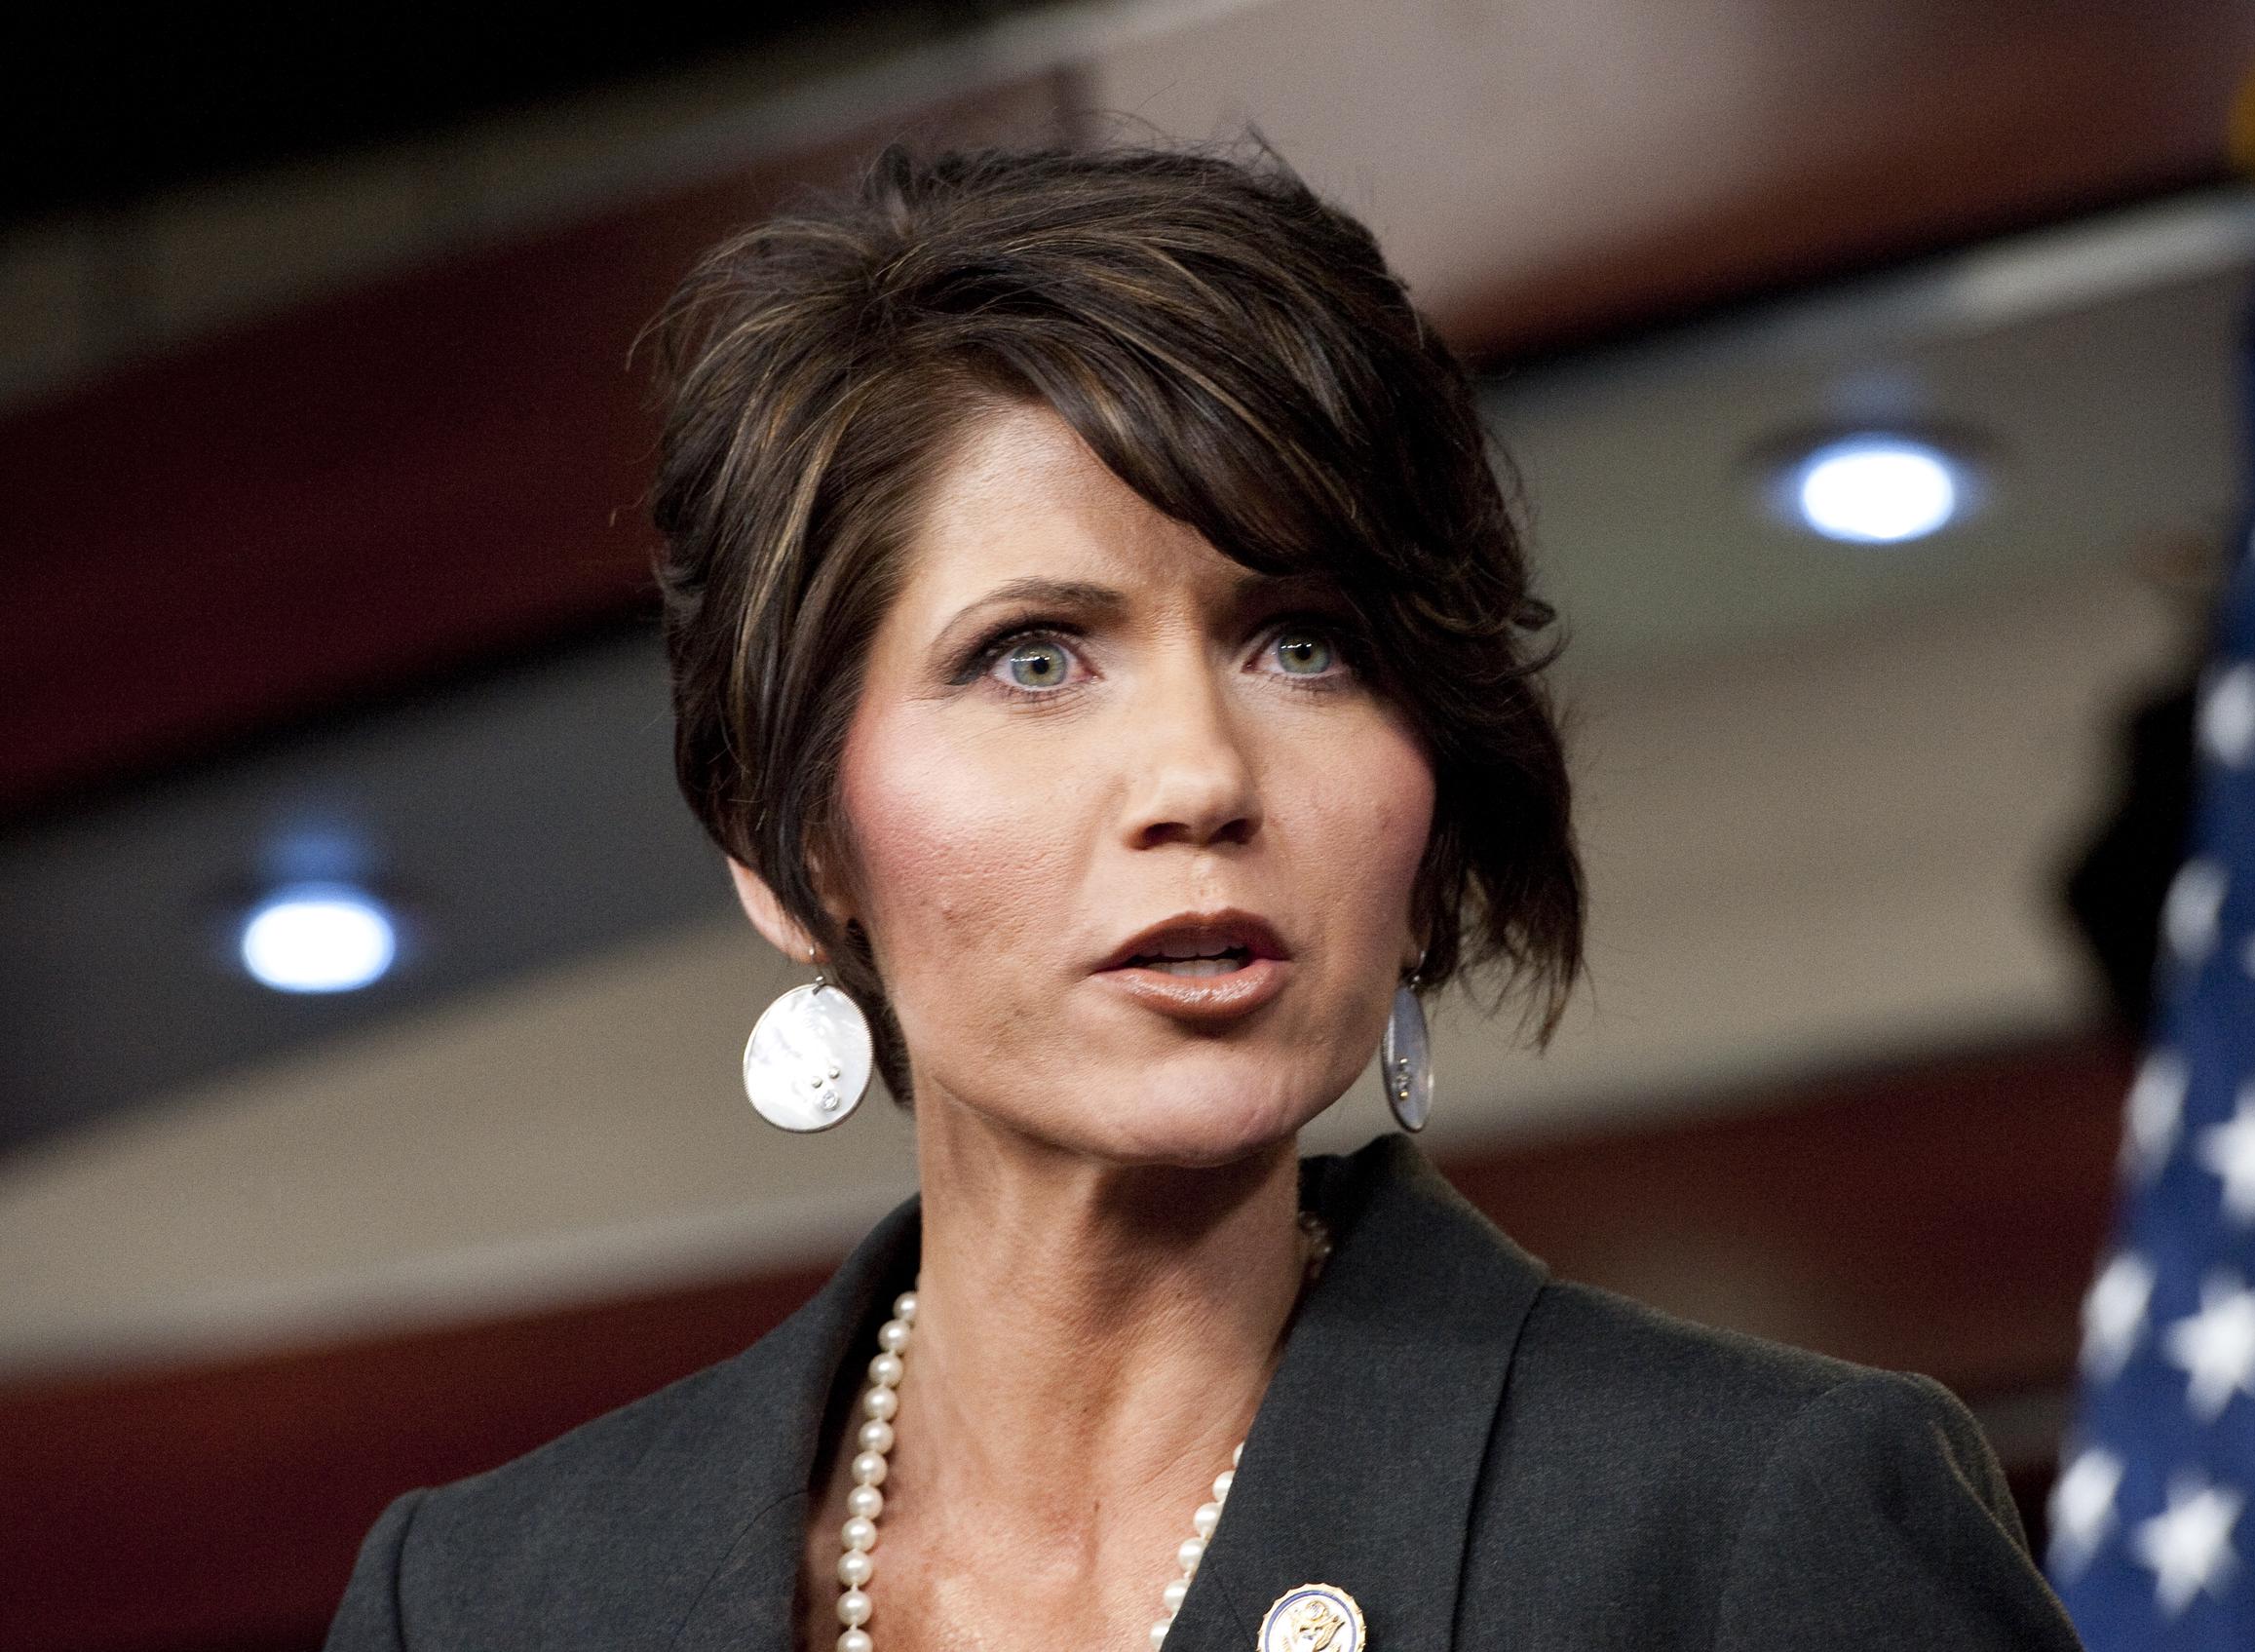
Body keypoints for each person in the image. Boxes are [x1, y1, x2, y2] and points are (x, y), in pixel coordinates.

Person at [325, 141, 2083, 1652]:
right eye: (1032, 658)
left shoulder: (1750, 1535)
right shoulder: (485, 1601)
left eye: (1304, 644)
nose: (1202, 777)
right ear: (787, 843)